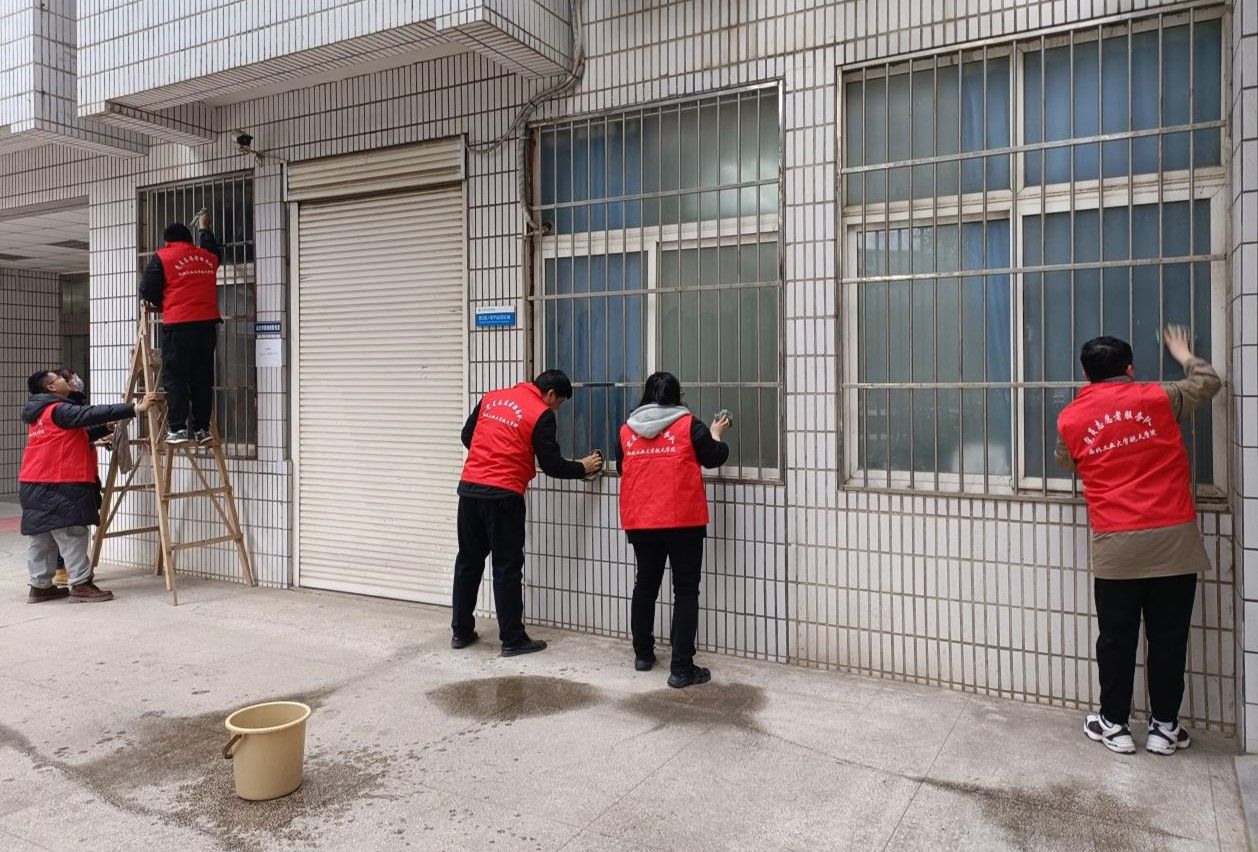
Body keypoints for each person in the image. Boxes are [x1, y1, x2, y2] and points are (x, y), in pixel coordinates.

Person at [1055, 326, 1221, 756]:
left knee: (1116, 638)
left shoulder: (1071, 418)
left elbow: (1067, 461)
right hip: (1174, 542)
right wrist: (1183, 354)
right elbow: (1209, 382)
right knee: (1169, 638)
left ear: (1086, 375)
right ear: (1130, 369)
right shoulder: (1159, 398)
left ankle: (1114, 724)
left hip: (1117, 546)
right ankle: (1164, 727)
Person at [451, 370, 604, 655]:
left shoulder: (492, 398)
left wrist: (490, 456)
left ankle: (460, 631)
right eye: (559, 403)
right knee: (506, 567)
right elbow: (552, 465)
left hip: (470, 490)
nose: (556, 409)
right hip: (503, 496)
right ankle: (512, 639)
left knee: (468, 562)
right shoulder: (540, 412)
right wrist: (582, 468)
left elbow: (466, 435)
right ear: (550, 394)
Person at [616, 372, 731, 688]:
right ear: (678, 396)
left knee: (645, 585)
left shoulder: (626, 430)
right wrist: (716, 433)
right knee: (685, 590)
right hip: (683, 522)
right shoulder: (689, 425)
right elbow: (714, 457)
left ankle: (643, 655)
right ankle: (681, 667)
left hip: (642, 521)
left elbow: (623, 467)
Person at [20, 369, 156, 603]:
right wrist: (135, 408)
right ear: (51, 388)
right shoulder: (58, 409)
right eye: (60, 378)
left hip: (33, 482)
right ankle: (81, 584)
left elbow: (75, 434)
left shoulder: (39, 413)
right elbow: (90, 413)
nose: (66, 380)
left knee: (41, 537)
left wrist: (105, 427)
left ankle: (40, 586)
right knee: (72, 533)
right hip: (59, 482)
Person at [139, 212, 222, 446]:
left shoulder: (163, 257)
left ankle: (177, 429)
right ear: (189, 239)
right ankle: (202, 429)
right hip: (207, 327)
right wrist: (205, 229)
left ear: (167, 241)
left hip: (179, 326)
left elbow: (147, 289)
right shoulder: (207, 257)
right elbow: (214, 251)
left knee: (176, 378)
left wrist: (164, 301)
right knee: (202, 378)